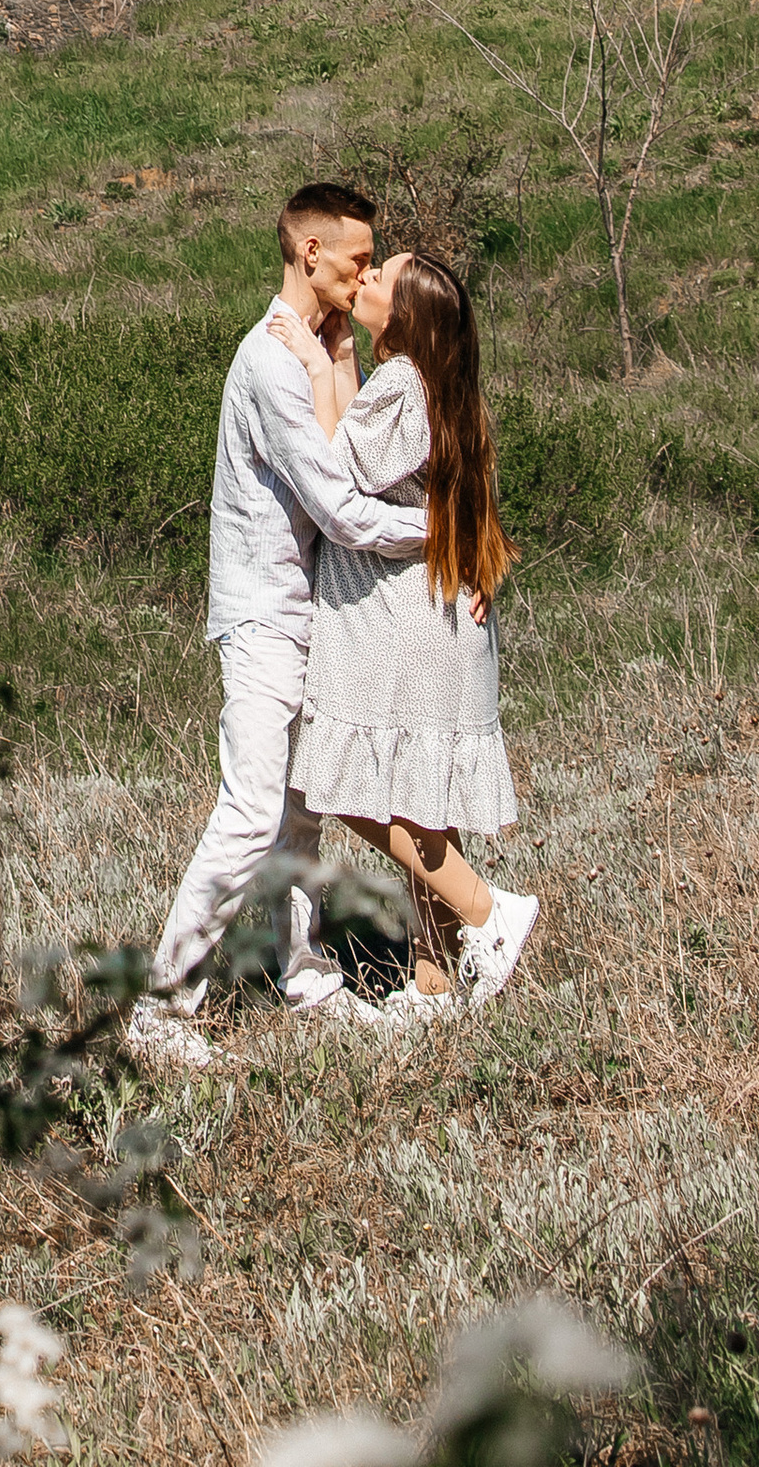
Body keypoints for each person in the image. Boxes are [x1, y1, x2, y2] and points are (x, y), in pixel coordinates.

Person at [130, 181, 432, 1070]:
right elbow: (339, 506)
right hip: (266, 616)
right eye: (358, 260)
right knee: (252, 809)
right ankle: (161, 1007)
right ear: (310, 254)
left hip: (307, 612)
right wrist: (442, 533)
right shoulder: (269, 360)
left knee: (299, 818)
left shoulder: (320, 348)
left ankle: (300, 976)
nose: (367, 273)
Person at [272, 244, 538, 1027]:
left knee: (351, 788)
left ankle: (489, 913)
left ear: (408, 314)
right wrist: (347, 356)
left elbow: (335, 466)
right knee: (422, 801)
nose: (368, 278)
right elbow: (371, 447)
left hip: (403, 626)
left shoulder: (403, 385)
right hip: (441, 619)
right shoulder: (435, 388)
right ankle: (431, 977)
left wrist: (320, 371)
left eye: (382, 277)